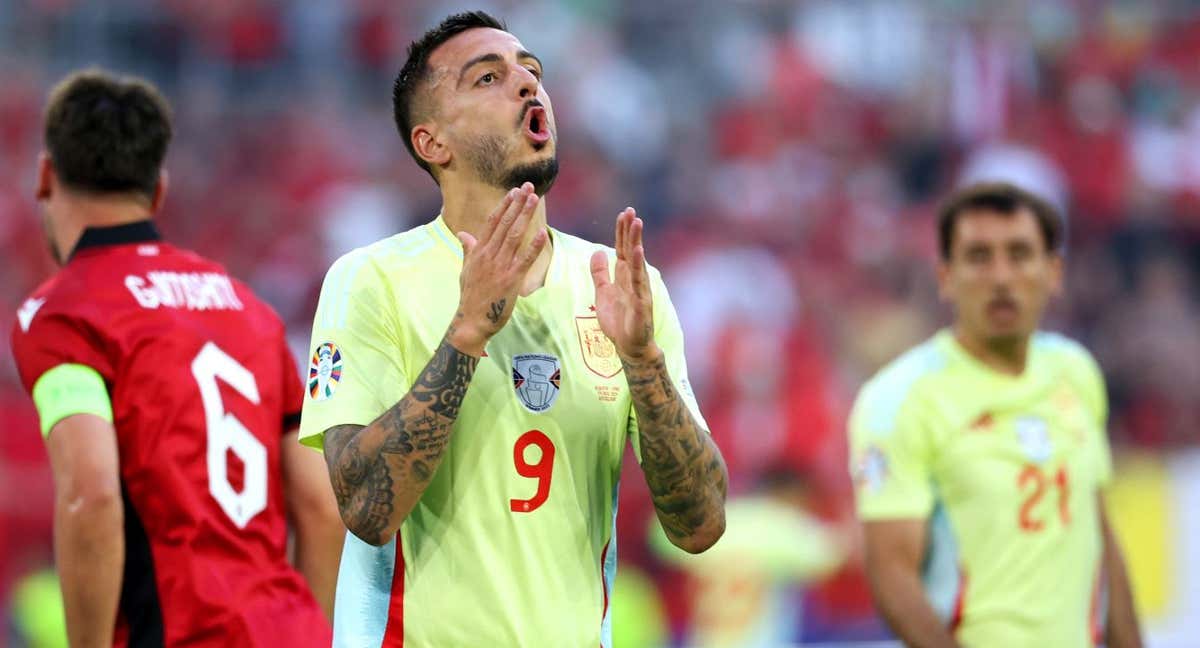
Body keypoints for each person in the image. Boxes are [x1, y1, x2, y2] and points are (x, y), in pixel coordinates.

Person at [298, 11, 727, 647]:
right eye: (489, 78)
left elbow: (701, 525)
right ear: (431, 142)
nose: (528, 86)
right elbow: (365, 509)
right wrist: (467, 336)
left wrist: (643, 361)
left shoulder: (620, 284)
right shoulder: (371, 280)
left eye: (533, 72)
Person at [9, 69, 342, 647]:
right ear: (159, 189)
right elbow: (320, 504)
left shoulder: (63, 314)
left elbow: (91, 491)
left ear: (45, 175)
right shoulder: (248, 309)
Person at [848, 182, 1142, 647]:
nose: (1002, 277)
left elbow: (1100, 537)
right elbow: (893, 577)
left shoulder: (1076, 371)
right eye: (979, 257)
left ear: (1054, 272)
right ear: (946, 277)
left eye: (1020, 254)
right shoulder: (899, 399)